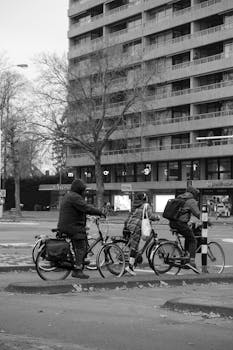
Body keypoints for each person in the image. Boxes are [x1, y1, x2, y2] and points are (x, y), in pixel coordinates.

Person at [57, 178, 105, 279]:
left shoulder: (69, 195)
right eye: (83, 190)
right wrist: (100, 212)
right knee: (81, 247)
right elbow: (86, 208)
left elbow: (77, 210)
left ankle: (80, 261)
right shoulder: (75, 197)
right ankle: (77, 270)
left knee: (81, 242)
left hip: (67, 225)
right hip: (72, 227)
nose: (84, 192)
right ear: (79, 189)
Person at [124, 192, 160, 276]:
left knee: (134, 244)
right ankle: (130, 267)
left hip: (130, 225)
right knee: (135, 246)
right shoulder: (146, 205)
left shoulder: (135, 205)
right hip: (137, 226)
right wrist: (157, 217)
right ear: (145, 198)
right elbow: (150, 216)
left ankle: (134, 261)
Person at [169, 186, 201, 272]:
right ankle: (192, 262)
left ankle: (186, 255)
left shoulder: (180, 197)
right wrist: (207, 220)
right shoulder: (191, 200)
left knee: (188, 235)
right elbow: (198, 214)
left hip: (172, 222)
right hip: (180, 224)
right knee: (193, 240)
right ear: (194, 193)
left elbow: (182, 212)